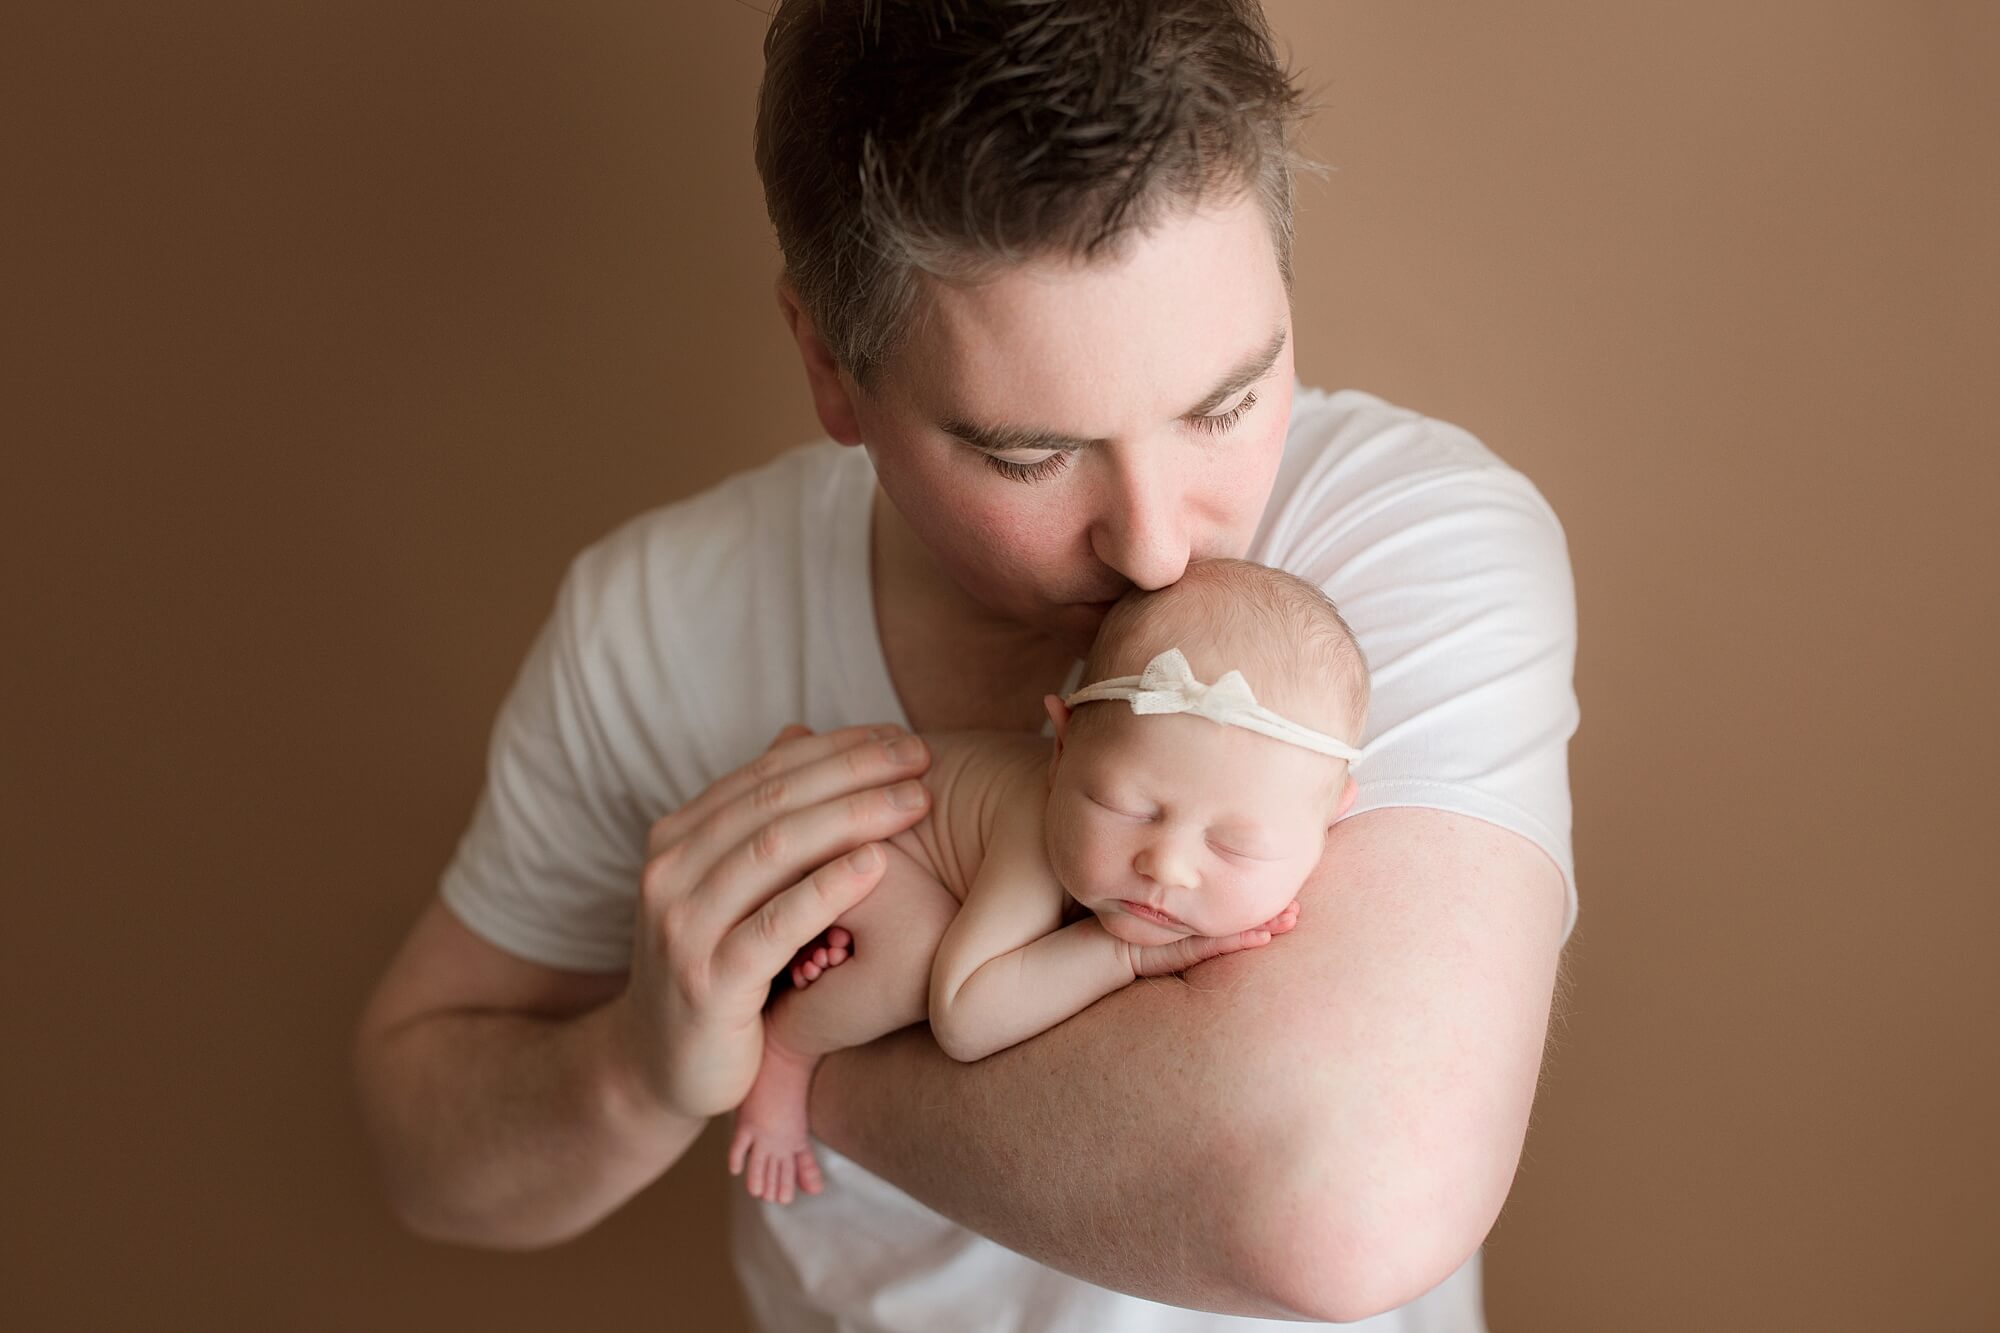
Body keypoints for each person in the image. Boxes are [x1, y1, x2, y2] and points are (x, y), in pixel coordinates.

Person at [350, 1, 1580, 1328]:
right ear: (830, 363)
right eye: (1029, 454)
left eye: (1225, 403)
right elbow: (424, 1145)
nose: (1160, 546)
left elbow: (1346, 1209)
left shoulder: (1404, 537)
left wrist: (801, 1063)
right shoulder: (660, 624)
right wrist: (642, 1068)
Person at [728, 559, 1367, 1206]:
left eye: (1237, 846)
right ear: (1060, 752)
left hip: (890, 858)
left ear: (1331, 816)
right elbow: (966, 1015)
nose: (1166, 865)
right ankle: (786, 1045)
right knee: (918, 952)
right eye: (1129, 808)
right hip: (866, 845)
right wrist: (1124, 952)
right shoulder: (1036, 830)